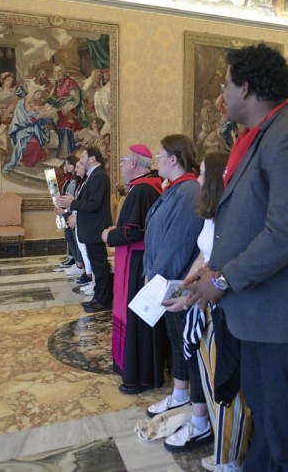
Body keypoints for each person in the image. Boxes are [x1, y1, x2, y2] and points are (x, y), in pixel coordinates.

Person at [184, 44, 288, 471]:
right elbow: (245, 223)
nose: (221, 94)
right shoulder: (257, 138)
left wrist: (223, 278)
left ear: (246, 88)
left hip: (284, 324)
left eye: (225, 85)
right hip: (255, 316)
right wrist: (210, 272)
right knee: (268, 436)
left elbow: (285, 235)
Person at [168, 151, 252, 472]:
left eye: (203, 173)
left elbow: (223, 265)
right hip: (204, 303)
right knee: (208, 377)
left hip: (224, 306)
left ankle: (232, 458)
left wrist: (193, 294)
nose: (198, 178)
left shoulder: (233, 216)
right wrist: (182, 290)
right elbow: (204, 257)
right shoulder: (210, 212)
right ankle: (222, 446)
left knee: (226, 384)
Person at [143, 134, 210, 454]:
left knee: (185, 344)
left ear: (173, 158)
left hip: (176, 279)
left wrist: (156, 278)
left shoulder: (188, 191)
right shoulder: (177, 188)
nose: (156, 160)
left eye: (160, 155)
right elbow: (157, 233)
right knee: (175, 339)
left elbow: (177, 243)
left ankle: (192, 406)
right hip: (166, 277)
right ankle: (180, 394)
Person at [102, 144, 164, 393]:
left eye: (123, 160)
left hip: (137, 262)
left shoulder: (142, 190)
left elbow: (133, 232)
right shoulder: (148, 186)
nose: (120, 164)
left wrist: (109, 235)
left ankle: (139, 376)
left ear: (135, 164)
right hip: (139, 259)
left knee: (137, 319)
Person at [57, 147, 113, 313]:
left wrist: (73, 202)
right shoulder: (93, 175)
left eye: (83, 157)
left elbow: (93, 204)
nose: (80, 161)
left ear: (92, 159)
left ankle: (103, 300)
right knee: (96, 265)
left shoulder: (99, 176)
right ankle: (98, 296)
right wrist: (73, 202)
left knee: (99, 266)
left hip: (95, 227)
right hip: (91, 227)